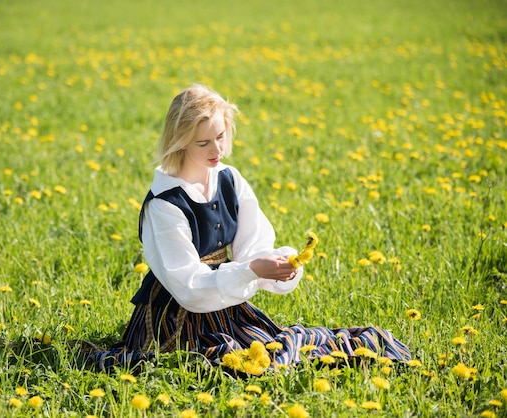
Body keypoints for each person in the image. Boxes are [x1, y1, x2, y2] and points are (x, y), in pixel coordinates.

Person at [82, 84, 411, 371]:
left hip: (225, 304)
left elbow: (253, 242)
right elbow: (189, 288)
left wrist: (274, 264)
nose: (216, 150)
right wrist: (251, 270)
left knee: (274, 348)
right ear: (179, 142)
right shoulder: (165, 203)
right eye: (203, 143)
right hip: (174, 316)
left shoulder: (229, 178)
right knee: (225, 360)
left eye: (221, 137)